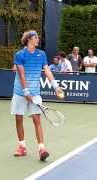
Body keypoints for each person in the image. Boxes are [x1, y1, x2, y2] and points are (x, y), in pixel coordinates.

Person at [11, 30, 63, 161]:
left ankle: (41, 149)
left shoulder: (41, 54)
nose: (38, 39)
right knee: (18, 119)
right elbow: (21, 74)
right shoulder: (20, 54)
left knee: (36, 119)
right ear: (29, 39)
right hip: (20, 91)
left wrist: (56, 86)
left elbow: (47, 70)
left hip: (35, 92)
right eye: (35, 37)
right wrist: (26, 92)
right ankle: (22, 146)